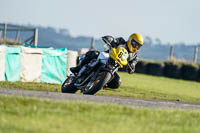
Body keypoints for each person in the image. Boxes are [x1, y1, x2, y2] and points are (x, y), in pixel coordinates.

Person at [70, 33, 144, 89]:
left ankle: (101, 84)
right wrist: (110, 39)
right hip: (106, 56)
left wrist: (131, 67)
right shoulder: (121, 41)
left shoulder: (135, 56)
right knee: (93, 53)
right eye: (135, 43)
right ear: (130, 40)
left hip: (113, 68)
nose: (136, 46)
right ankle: (78, 68)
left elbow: (133, 65)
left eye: (138, 45)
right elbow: (114, 40)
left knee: (117, 83)